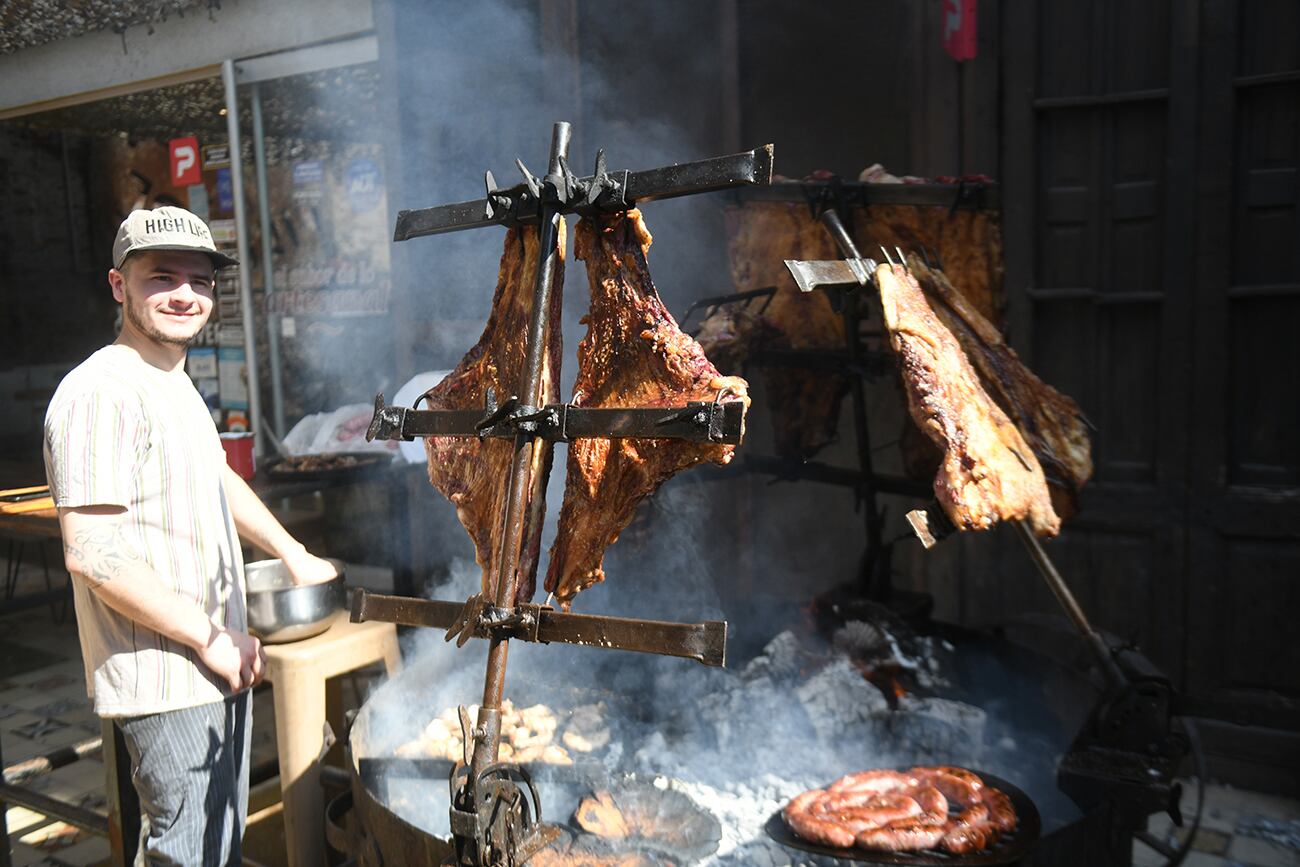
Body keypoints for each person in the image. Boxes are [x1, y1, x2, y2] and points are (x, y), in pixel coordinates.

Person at [43, 206, 337, 866]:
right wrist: (207, 635)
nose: (185, 294)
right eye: (162, 277)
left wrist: (291, 552)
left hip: (215, 660)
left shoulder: (171, 381)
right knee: (189, 852)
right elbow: (92, 550)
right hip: (169, 677)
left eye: (200, 280)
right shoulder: (100, 392)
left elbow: (213, 481)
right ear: (119, 285)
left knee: (218, 847)